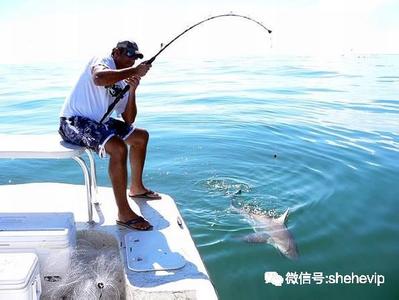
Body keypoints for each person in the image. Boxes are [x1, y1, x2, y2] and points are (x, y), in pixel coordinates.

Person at [59, 40, 160, 231]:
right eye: (129, 55)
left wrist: (131, 91)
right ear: (116, 52)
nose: (133, 60)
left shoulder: (123, 81)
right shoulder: (102, 61)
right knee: (118, 147)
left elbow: (129, 119)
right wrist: (134, 71)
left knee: (140, 136)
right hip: (73, 121)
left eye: (136, 57)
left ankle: (136, 188)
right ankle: (123, 212)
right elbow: (99, 78)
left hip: (99, 122)